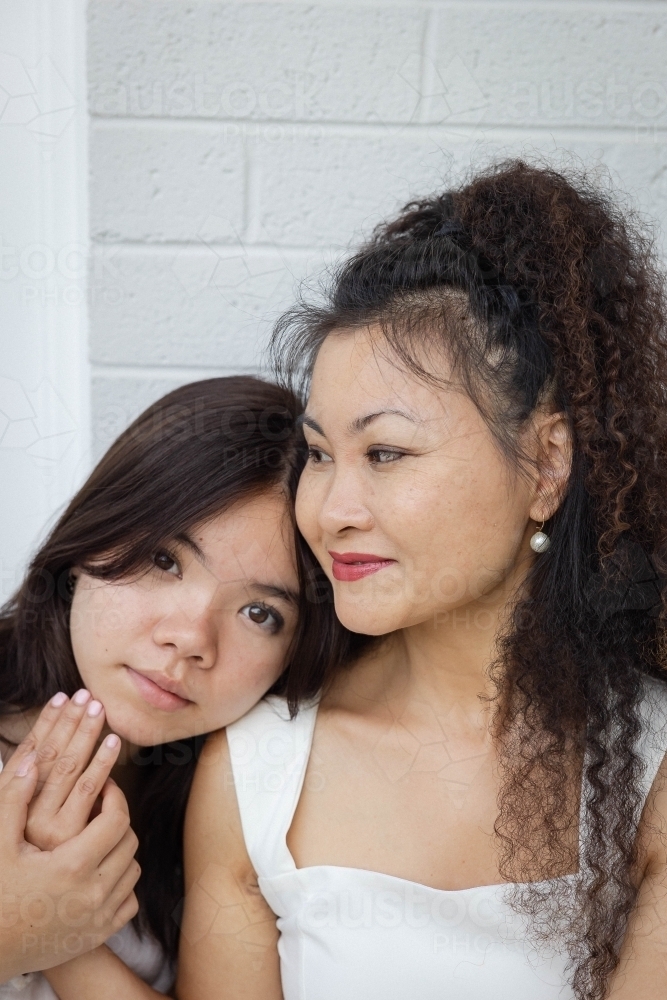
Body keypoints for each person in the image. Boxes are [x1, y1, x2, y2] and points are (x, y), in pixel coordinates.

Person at [177, 161, 667, 1000]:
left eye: (387, 453)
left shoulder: (650, 769)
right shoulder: (258, 772)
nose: (331, 511)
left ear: (546, 464)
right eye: (321, 455)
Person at [0, 375, 360, 999]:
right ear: (95, 534)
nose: (191, 637)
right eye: (166, 561)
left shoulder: (234, 804)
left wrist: (65, 931)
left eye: (260, 614)